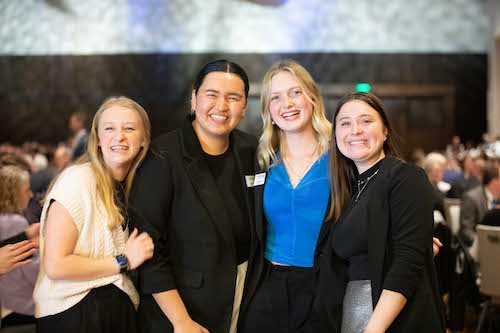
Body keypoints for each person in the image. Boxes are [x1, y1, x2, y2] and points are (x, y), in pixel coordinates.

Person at [129, 59, 263, 333]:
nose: (222, 106)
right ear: (194, 98)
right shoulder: (161, 156)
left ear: (245, 106)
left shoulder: (254, 151)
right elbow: (149, 250)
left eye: (233, 97)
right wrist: (181, 321)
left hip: (243, 301)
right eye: (211, 95)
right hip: (182, 311)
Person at [320, 92, 445, 333]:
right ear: (335, 135)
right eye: (345, 123)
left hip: (387, 318)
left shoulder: (406, 177)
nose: (355, 130)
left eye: (366, 121)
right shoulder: (348, 188)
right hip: (353, 311)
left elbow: (406, 264)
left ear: (385, 131)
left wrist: (373, 330)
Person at [33, 96, 154, 333]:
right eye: (109, 128)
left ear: (143, 140)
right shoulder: (77, 180)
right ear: (97, 139)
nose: (119, 136)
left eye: (129, 128)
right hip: (76, 315)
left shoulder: (129, 185)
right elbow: (56, 265)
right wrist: (124, 260)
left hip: (110, 312)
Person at [239, 60, 331, 333]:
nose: (286, 103)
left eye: (295, 92)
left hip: (322, 286)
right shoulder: (261, 161)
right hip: (268, 285)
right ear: (268, 109)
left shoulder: (341, 160)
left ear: (312, 98)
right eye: (275, 97)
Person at [0, 165, 39, 326]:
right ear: (13, 194)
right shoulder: (15, 222)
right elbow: (31, 270)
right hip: (22, 304)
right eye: (26, 190)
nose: (30, 195)